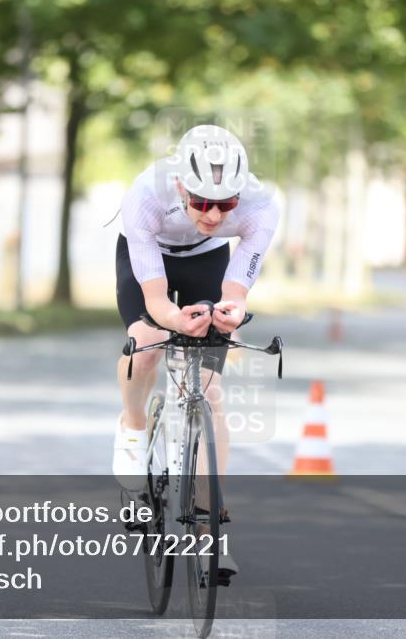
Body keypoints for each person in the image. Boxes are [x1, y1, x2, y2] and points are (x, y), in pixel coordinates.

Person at [112, 124, 280, 578]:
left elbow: (237, 289)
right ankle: (131, 429)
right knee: (147, 343)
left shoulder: (261, 205)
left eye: (224, 206)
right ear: (181, 186)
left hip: (207, 259)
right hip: (148, 257)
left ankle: (211, 532)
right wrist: (174, 319)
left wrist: (231, 310)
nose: (212, 214)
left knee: (210, 389)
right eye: (201, 202)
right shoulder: (146, 195)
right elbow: (157, 303)